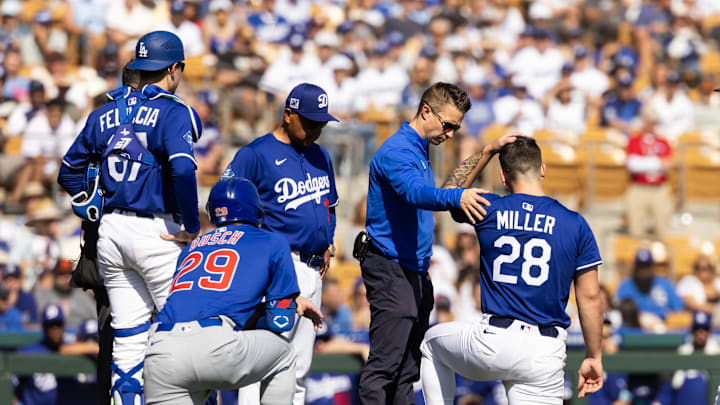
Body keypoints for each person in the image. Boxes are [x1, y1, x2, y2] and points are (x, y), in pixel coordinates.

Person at [57, 30, 202, 404]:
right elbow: (184, 171)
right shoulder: (174, 110)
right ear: (173, 68)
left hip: (111, 232)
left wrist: (89, 201)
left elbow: (69, 170)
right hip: (157, 233)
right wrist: (191, 225)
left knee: (128, 338)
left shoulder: (105, 111)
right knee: (185, 333)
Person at [420, 136, 604, 404]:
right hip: (545, 351)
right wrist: (593, 355)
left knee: (431, 343)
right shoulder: (575, 223)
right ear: (542, 170)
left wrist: (486, 151)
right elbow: (589, 298)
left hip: (493, 342)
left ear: (503, 177)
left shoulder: (489, 208)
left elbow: (447, 193)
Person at [359, 82, 493, 405]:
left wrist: (487, 152)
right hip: (391, 268)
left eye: (456, 129)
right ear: (426, 111)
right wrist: (457, 196)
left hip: (413, 271)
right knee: (384, 368)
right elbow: (416, 194)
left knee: (407, 371)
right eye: (447, 125)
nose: (449, 134)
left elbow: (441, 188)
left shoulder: (419, 148)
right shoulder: (397, 151)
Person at [144, 177, 323, 405]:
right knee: (285, 356)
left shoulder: (190, 248)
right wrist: (288, 305)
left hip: (160, 348)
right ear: (255, 210)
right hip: (214, 345)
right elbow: (279, 321)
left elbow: (202, 299)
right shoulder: (271, 241)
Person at [222, 82, 338, 405]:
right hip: (275, 264)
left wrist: (327, 242)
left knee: (298, 367)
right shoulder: (255, 154)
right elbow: (223, 203)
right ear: (288, 114)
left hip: (312, 269)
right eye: (310, 121)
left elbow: (329, 206)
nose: (317, 129)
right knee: (261, 361)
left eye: (322, 123)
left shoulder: (320, 156)